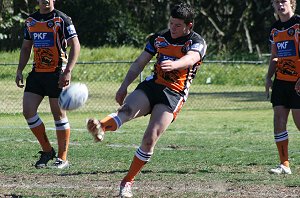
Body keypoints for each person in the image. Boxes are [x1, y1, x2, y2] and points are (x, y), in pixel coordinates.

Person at [87, 2, 207, 197]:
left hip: (173, 93)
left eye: (178, 25)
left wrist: (175, 64)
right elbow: (139, 63)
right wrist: (123, 86)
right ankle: (101, 126)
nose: (173, 28)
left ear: (189, 26)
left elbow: (191, 59)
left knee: (149, 138)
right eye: (171, 23)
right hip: (152, 86)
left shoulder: (196, 41)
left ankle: (127, 181)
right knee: (125, 111)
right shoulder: (159, 38)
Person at [15, 0, 80, 169]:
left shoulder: (62, 19)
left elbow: (76, 45)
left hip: (57, 73)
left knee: (58, 114)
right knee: (28, 112)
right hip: (37, 73)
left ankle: (62, 158)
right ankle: (47, 150)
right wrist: (19, 70)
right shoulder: (30, 21)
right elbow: (26, 48)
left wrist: (68, 71)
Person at [265, 0, 299, 175]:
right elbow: (274, 55)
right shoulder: (274, 29)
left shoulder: (299, 24)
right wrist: (268, 77)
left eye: (283, 1)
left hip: (298, 82)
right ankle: (284, 164)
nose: (280, 4)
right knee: (278, 120)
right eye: (276, 2)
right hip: (281, 81)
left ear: (291, 3)